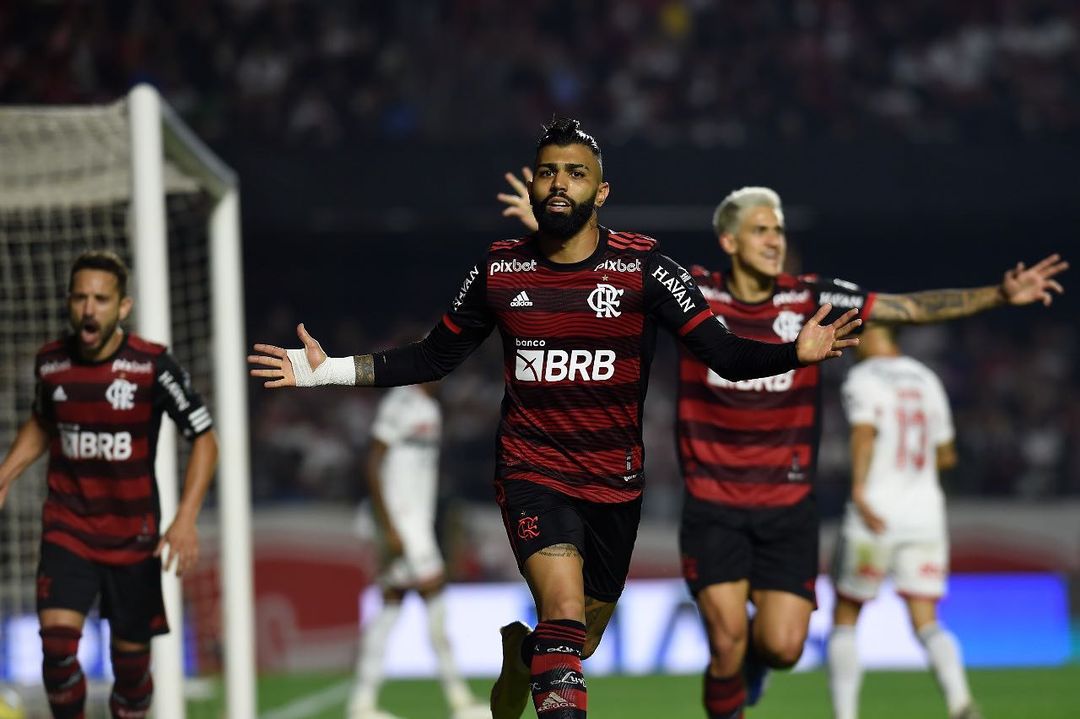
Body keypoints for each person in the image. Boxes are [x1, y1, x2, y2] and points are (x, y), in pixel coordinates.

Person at [249, 118, 861, 719]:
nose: (559, 182)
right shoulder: (498, 269)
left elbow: (723, 354)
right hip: (532, 468)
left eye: (576, 172)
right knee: (563, 610)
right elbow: (434, 356)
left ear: (602, 192)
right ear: (535, 187)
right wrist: (323, 370)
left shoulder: (647, 270)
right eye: (548, 171)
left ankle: (522, 658)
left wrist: (793, 353)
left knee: (574, 642)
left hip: (614, 483)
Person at [498, 179, 1066, 718]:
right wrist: (559, 239)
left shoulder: (813, 298)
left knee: (783, 646)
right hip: (714, 505)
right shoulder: (694, 293)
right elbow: (608, 276)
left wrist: (999, 294)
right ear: (730, 241)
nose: (776, 241)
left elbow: (907, 308)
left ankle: (757, 666)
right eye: (762, 230)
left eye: (779, 231)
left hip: (787, 508)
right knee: (725, 641)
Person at [0, 250, 219, 719]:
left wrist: (185, 519)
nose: (88, 309)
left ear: (123, 307)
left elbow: (204, 437)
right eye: (80, 298)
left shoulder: (152, 366)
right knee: (57, 651)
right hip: (68, 526)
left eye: (100, 299)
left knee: (131, 668)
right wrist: (5, 474)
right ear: (69, 302)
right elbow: (42, 423)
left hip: (134, 536)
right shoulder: (51, 364)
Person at [827, 323, 980, 719]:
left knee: (846, 613)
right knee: (926, 619)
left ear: (876, 334)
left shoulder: (862, 376)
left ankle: (845, 715)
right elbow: (947, 454)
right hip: (925, 515)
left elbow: (864, 433)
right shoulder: (927, 377)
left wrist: (860, 489)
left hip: (873, 512)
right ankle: (960, 701)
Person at [348, 382, 489, 719]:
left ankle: (362, 701)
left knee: (391, 605)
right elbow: (372, 464)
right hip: (403, 526)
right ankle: (459, 700)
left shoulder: (431, 408)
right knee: (434, 604)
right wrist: (389, 526)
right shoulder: (399, 402)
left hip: (418, 525)